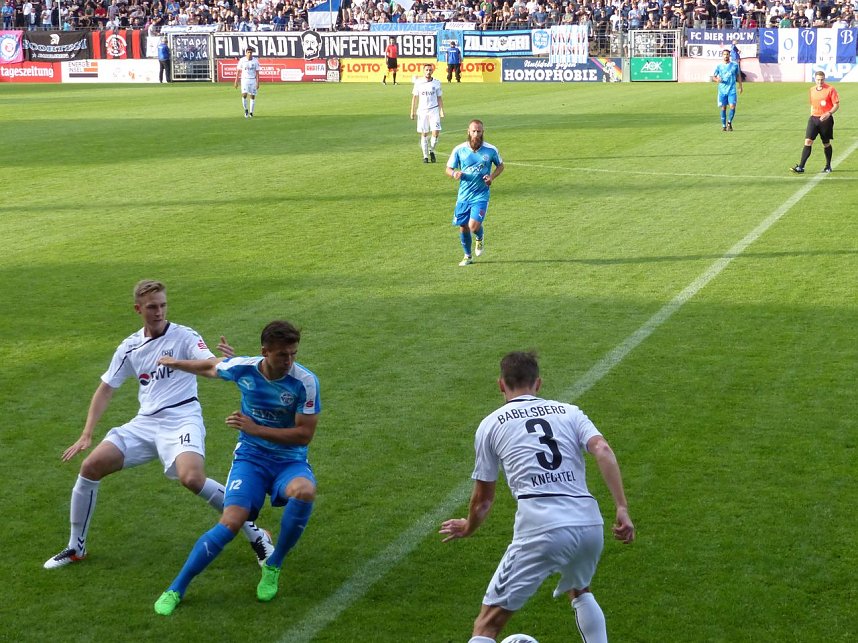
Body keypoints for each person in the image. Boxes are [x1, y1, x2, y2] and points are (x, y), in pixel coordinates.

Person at [44, 280, 274, 570]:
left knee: (191, 478)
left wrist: (227, 361)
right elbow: (105, 388)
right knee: (90, 467)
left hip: (182, 418)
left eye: (163, 305)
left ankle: (255, 534)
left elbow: (211, 366)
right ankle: (76, 547)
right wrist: (86, 433)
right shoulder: (130, 346)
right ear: (138, 309)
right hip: (145, 423)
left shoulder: (184, 336)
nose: (159, 312)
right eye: (152, 307)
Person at [439, 351, 635, 643]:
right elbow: (603, 450)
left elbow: (483, 501)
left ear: (501, 385)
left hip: (541, 528)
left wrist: (468, 526)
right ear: (538, 383)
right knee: (580, 589)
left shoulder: (491, 425)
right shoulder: (570, 412)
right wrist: (621, 506)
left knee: (486, 625)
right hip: (589, 524)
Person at [154, 320, 321, 615]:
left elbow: (304, 434)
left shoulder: (305, 382)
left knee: (305, 491)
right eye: (283, 354)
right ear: (265, 352)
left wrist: (255, 429)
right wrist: (175, 363)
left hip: (288, 461)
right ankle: (176, 588)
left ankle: (274, 564)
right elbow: (210, 367)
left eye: (293, 353)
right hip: (251, 460)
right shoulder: (244, 368)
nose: (289, 361)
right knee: (231, 521)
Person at [446, 119, 504, 267]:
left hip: (481, 194)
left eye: (479, 131)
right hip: (463, 195)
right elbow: (448, 168)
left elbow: (500, 166)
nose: (476, 134)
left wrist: (491, 177)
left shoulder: (491, 150)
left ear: (483, 132)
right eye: (474, 131)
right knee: (463, 226)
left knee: (473, 226)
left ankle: (480, 236)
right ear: (468, 131)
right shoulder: (459, 149)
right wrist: (454, 174)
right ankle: (467, 256)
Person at [792, 70, 840, 174]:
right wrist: (812, 115)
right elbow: (812, 104)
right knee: (808, 141)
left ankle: (828, 166)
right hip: (813, 119)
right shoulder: (812, 90)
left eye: (822, 80)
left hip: (826, 120)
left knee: (826, 143)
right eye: (818, 80)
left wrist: (829, 113)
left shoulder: (830, 89)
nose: (820, 82)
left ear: (824, 79)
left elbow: (836, 104)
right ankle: (801, 167)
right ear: (815, 79)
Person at [411, 64, 445, 164]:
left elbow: (439, 97)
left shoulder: (437, 83)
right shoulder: (418, 83)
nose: (428, 72)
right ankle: (425, 156)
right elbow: (414, 97)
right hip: (422, 111)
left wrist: (441, 110)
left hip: (434, 110)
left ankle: (432, 150)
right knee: (424, 133)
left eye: (430, 70)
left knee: (436, 132)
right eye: (426, 70)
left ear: (432, 71)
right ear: (423, 71)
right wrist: (412, 111)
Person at [711, 48, 742, 131]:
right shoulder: (719, 67)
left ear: (729, 55)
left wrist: (740, 86)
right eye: (724, 54)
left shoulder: (734, 65)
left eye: (727, 54)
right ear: (722, 56)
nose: (726, 56)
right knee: (723, 108)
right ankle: (724, 126)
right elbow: (713, 77)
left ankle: (729, 122)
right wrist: (717, 80)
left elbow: (738, 76)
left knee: (732, 106)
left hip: (732, 90)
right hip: (722, 91)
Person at [235, 47, 260, 118]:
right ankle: (246, 110)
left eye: (251, 52)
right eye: (248, 52)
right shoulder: (242, 60)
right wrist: (236, 81)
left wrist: (258, 82)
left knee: (252, 96)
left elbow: (257, 72)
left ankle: (251, 112)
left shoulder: (255, 61)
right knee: (244, 95)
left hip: (253, 80)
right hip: (244, 80)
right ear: (246, 53)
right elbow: (238, 71)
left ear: (252, 53)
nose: (249, 54)